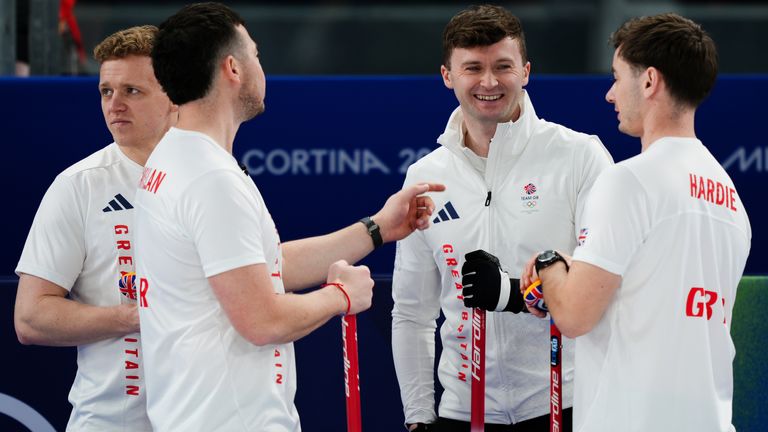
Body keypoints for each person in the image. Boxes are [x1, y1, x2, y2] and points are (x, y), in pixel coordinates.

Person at [133, 3, 443, 431]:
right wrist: (341, 295)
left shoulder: (174, 156)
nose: (262, 66)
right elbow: (262, 320)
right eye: (255, 54)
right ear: (232, 69)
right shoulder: (210, 180)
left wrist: (376, 229)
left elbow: (257, 268)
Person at [520, 13, 751, 432]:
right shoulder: (731, 197)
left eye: (616, 76)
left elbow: (573, 315)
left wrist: (550, 263)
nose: (610, 94)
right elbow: (653, 291)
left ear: (648, 82)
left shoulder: (628, 181)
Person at [391, 5, 613, 431]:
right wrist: (418, 416)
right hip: (463, 409)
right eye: (472, 68)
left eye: (503, 67)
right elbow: (412, 312)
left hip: (564, 401)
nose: (489, 82)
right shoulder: (425, 177)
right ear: (447, 76)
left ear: (526, 71)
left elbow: (599, 287)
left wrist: (513, 292)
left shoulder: (580, 156)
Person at [14, 25, 176, 431]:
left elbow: (265, 271)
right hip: (111, 421)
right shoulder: (80, 185)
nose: (114, 105)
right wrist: (136, 316)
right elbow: (31, 318)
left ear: (175, 94)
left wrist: (364, 231)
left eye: (132, 91)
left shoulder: (220, 174)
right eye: (106, 91)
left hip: (206, 417)